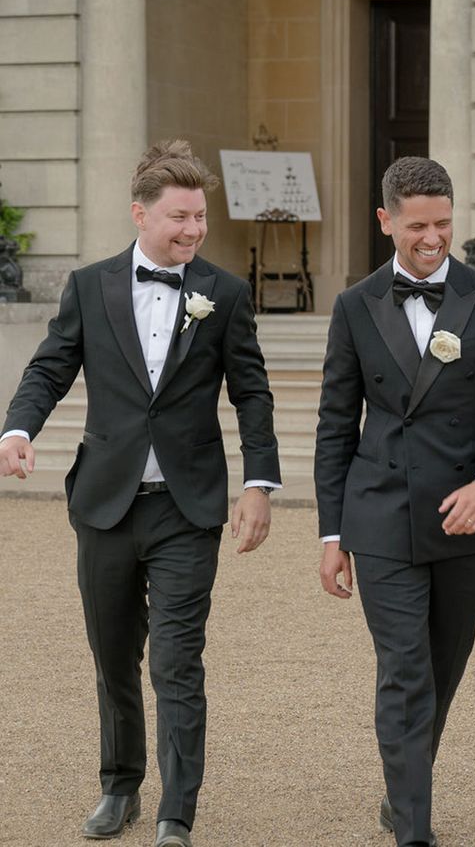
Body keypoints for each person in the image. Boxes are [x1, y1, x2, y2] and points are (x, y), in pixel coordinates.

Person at [0, 140, 281, 847]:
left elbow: (252, 393)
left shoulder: (226, 293)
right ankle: (120, 785)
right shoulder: (90, 286)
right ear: (140, 213)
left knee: (176, 661)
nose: (193, 230)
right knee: (113, 654)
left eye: (201, 218)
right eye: (180, 217)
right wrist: (16, 429)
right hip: (104, 503)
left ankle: (175, 812)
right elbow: (50, 367)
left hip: (187, 508)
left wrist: (258, 484)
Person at [315, 156, 475, 847]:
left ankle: (400, 789)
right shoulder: (355, 306)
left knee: (443, 669)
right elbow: (334, 425)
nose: (433, 238)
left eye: (443, 223)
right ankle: (414, 827)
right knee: (406, 671)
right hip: (379, 514)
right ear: (386, 221)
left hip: (465, 515)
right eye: (418, 226)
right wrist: (331, 535)